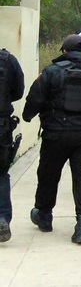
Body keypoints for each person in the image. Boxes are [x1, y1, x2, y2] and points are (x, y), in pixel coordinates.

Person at [22, 35, 81, 244]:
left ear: (64, 51)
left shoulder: (51, 72)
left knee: (48, 175)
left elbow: (35, 98)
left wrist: (27, 116)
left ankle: (44, 215)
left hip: (55, 134)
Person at [0, 48, 24, 242]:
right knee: (0, 174)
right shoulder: (8, 60)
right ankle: (2, 219)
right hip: (1, 126)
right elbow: (18, 91)